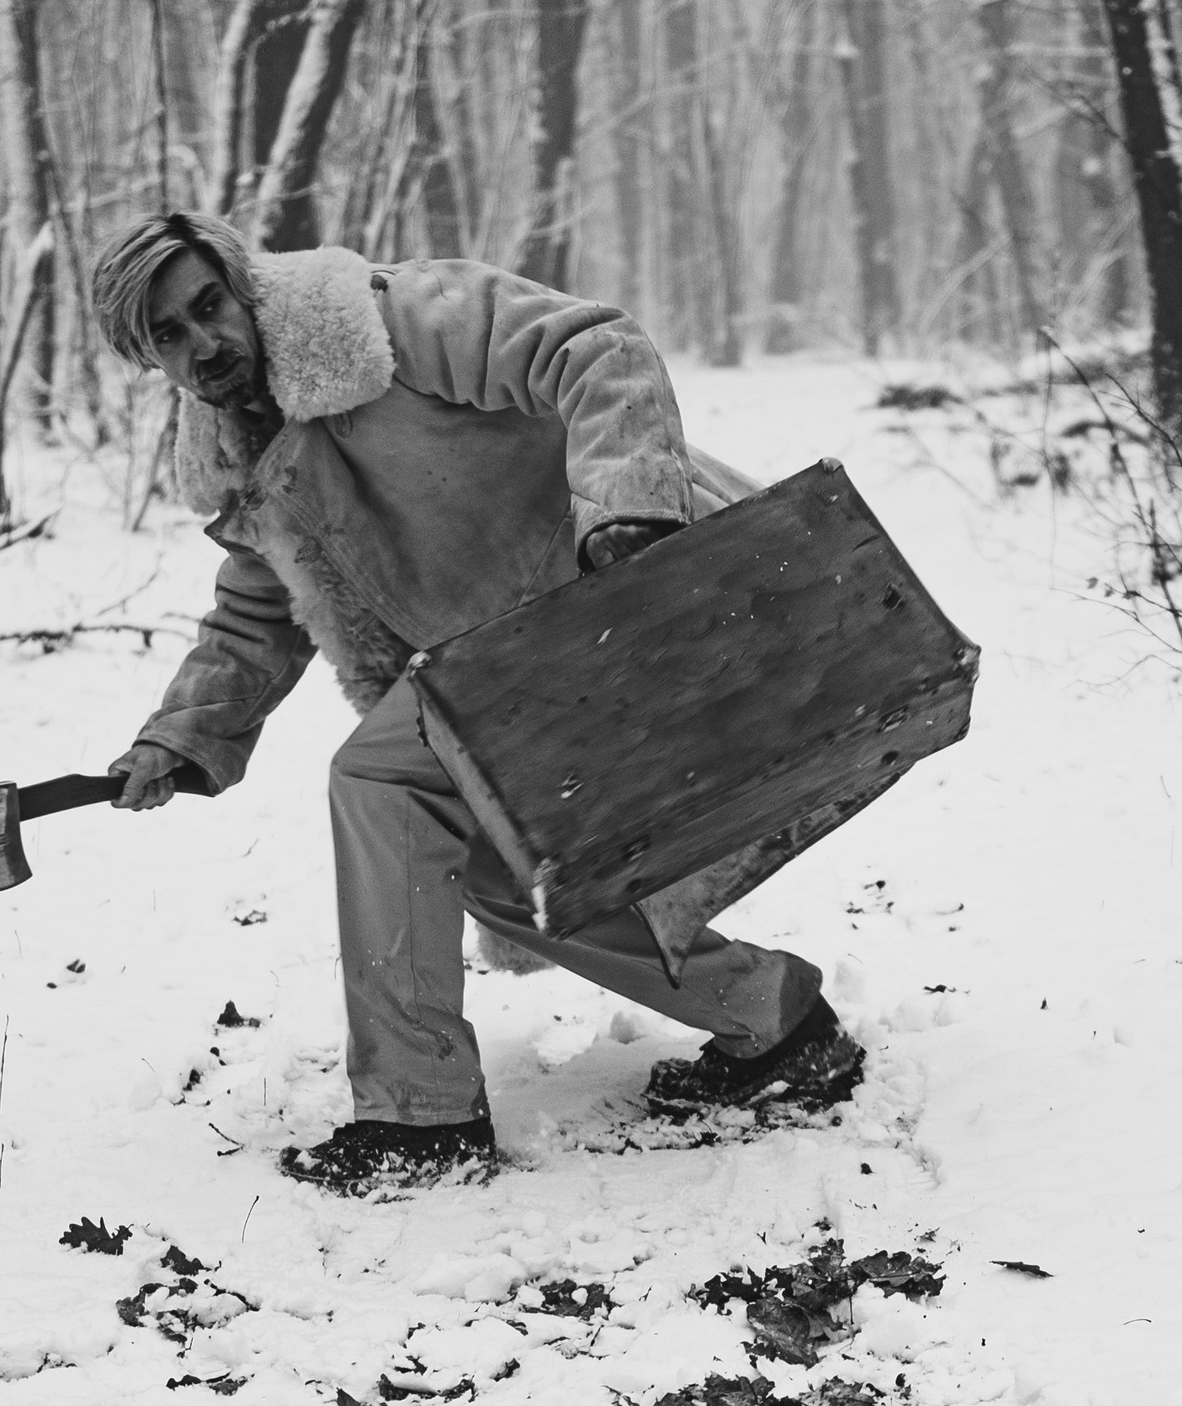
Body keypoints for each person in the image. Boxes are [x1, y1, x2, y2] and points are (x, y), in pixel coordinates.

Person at [91, 211, 864, 1193]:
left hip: (626, 597)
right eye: (169, 334)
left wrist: (628, 518)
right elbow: (257, 610)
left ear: (243, 284)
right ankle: (778, 1022)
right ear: (145, 358)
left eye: (209, 306)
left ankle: (421, 1120)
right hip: (506, 671)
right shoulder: (241, 458)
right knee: (512, 876)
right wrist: (181, 735)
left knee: (380, 780)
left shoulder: (389, 321)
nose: (203, 343)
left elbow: (596, 348)